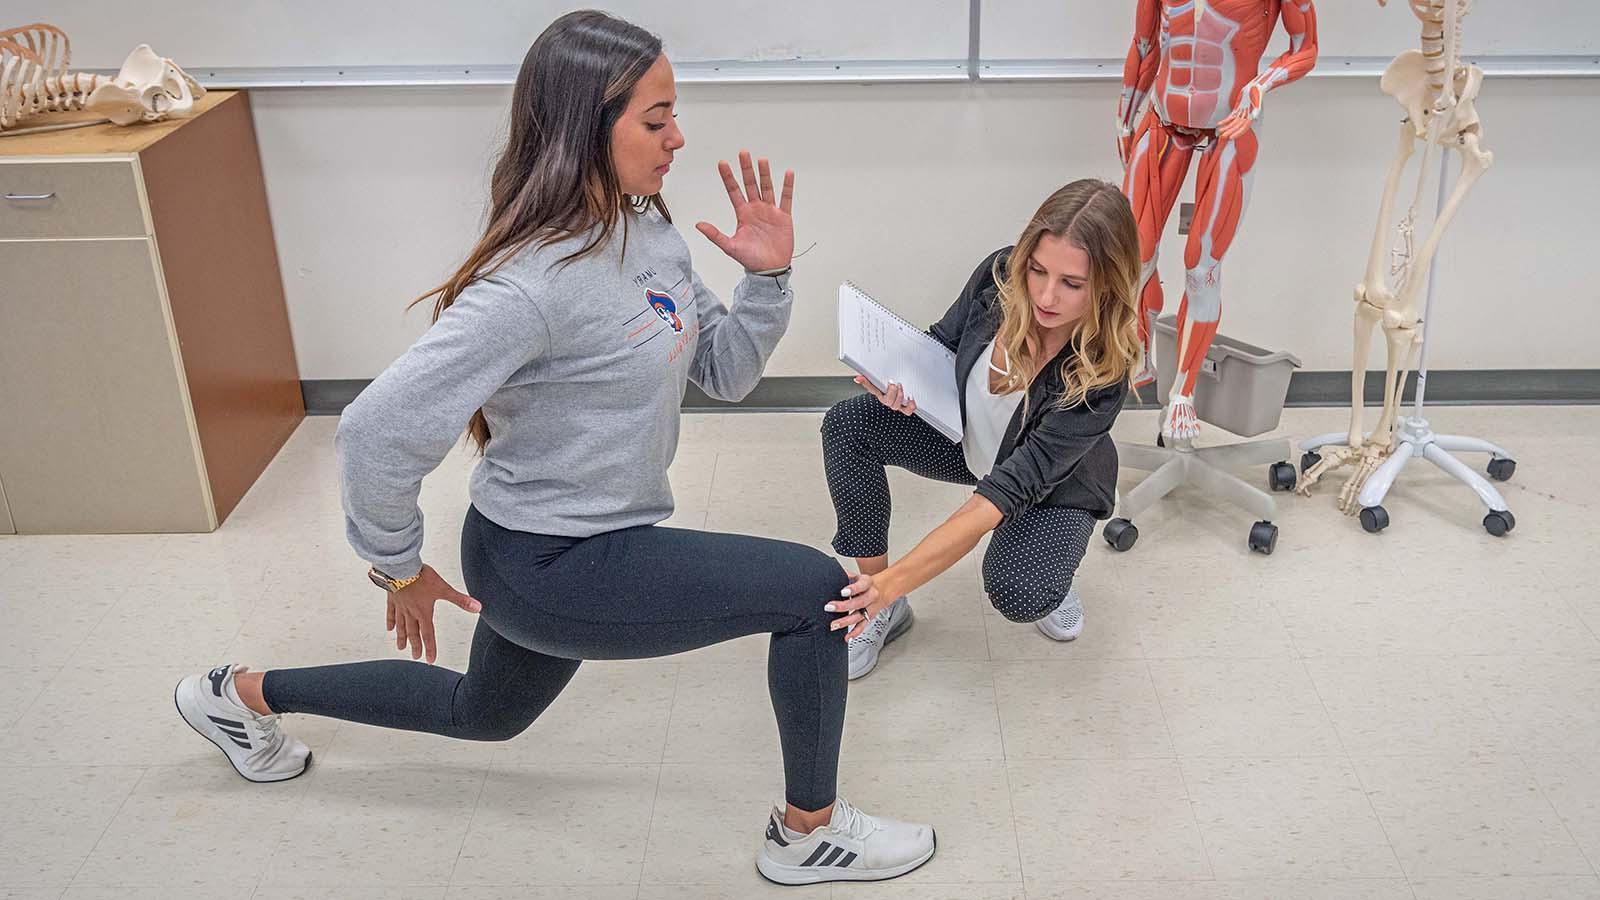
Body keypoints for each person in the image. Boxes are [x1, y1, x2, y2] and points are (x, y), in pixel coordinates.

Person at [171, 11, 935, 886]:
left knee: (481, 713)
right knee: (815, 592)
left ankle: (239, 696)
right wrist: (396, 564)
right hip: (553, 562)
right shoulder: (529, 286)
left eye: (674, 114)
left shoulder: (648, 234)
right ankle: (808, 834)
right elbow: (377, 428)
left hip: (552, 549)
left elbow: (723, 372)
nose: (678, 137)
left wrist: (767, 280)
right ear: (585, 125)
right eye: (656, 120)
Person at [821, 180, 1142, 679]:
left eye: (1072, 284)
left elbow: (995, 499)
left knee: (1021, 589)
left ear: (1108, 285)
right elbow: (944, 343)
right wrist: (897, 380)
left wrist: (901, 580)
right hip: (968, 439)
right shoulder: (999, 275)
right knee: (850, 423)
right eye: (1038, 270)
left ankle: (1052, 574)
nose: (1046, 295)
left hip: (1051, 486)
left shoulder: (1103, 371)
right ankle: (878, 599)